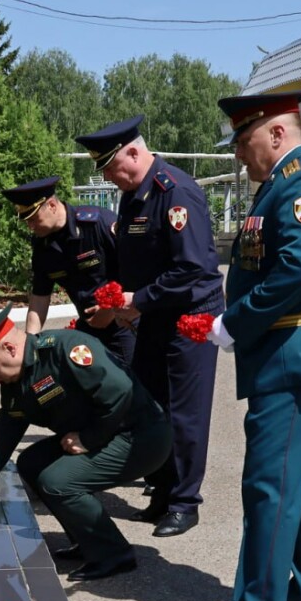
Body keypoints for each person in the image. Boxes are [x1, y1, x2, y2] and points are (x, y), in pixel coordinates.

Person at [180, 91, 301, 601]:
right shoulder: (279, 185)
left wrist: (234, 323)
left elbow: (298, 271)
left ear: (277, 134)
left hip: (293, 355)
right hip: (288, 352)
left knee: (270, 484)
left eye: (244, 140)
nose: (238, 153)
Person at [0, 305, 172, 582]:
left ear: (10, 348)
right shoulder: (16, 383)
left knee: (58, 481)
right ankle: (87, 540)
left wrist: (89, 439)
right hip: (109, 435)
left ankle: (113, 554)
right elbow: (1, 438)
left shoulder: (66, 349)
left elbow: (120, 391)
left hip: (142, 436)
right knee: (31, 463)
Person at [74, 116, 223, 538]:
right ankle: (162, 491)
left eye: (110, 167)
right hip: (155, 316)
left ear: (134, 153)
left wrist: (136, 300)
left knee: (185, 414)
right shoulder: (133, 197)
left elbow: (191, 270)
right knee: (152, 408)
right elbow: (134, 261)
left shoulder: (175, 192)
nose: (107, 176)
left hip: (189, 319)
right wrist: (123, 299)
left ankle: (184, 503)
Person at [1, 176, 137, 369]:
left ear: (52, 206)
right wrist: (29, 344)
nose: (30, 226)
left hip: (124, 324)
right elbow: (39, 298)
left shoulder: (98, 224)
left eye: (34, 218)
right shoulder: (42, 246)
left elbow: (136, 271)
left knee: (134, 383)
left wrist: (110, 310)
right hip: (88, 329)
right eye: (26, 221)